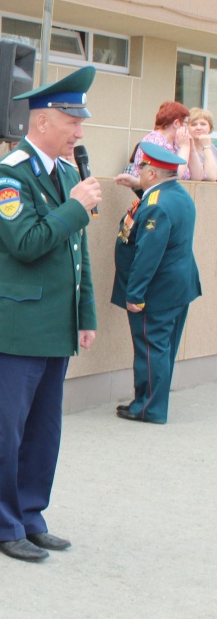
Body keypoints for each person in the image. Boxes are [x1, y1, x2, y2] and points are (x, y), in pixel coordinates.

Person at [0, 66, 102, 563]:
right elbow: (26, 244)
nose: (80, 131)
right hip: (20, 325)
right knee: (7, 432)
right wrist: (74, 207)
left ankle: (31, 515)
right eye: (72, 121)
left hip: (58, 325)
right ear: (44, 121)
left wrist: (86, 313)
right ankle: (0, 525)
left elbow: (78, 256)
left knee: (45, 433)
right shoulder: (8, 175)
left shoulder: (67, 174)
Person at [111, 143, 201, 424]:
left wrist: (134, 294)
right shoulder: (177, 195)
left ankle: (148, 408)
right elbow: (155, 205)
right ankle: (150, 401)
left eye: (141, 170)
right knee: (163, 348)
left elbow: (147, 254)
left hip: (156, 292)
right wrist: (138, 188)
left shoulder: (156, 206)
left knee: (151, 348)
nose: (137, 173)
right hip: (177, 287)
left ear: (151, 173)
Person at [116, 101, 199, 187]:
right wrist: (185, 147)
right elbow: (174, 174)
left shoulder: (177, 143)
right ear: (176, 123)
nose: (188, 127)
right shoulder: (155, 141)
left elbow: (197, 176)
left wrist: (191, 148)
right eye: (187, 123)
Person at [186, 107, 217, 182]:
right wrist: (206, 147)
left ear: (210, 127)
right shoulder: (185, 147)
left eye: (203, 124)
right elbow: (210, 177)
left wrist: (207, 146)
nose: (199, 128)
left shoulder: (213, 148)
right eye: (194, 124)